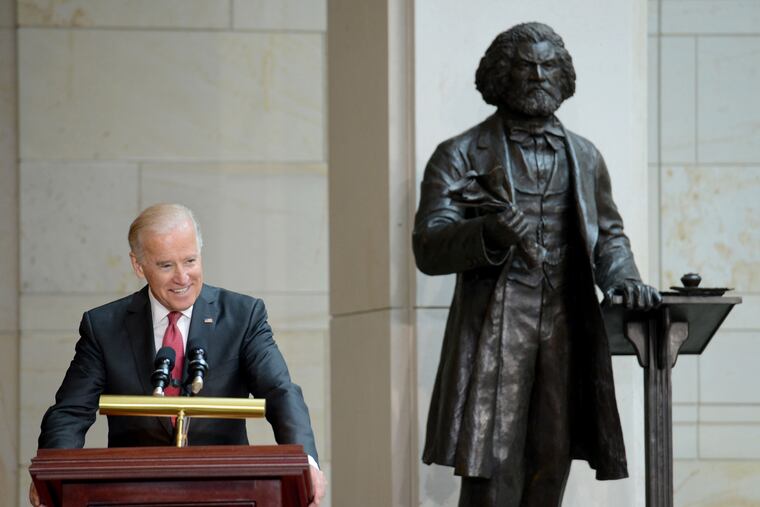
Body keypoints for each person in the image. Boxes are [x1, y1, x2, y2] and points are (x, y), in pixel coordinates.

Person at [413, 22, 660, 507]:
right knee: (490, 469)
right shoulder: (460, 154)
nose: (540, 76)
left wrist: (624, 279)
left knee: (553, 457)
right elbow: (428, 244)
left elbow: (608, 235)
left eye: (549, 66)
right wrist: (489, 231)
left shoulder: (585, 156)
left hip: (566, 324)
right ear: (501, 76)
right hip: (496, 325)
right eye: (527, 67)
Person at [30, 203, 326, 507]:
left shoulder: (243, 316)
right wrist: (52, 472)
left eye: (190, 260)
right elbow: (71, 412)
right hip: (131, 495)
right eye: (166, 265)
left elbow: (280, 392)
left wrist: (307, 464)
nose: (182, 277)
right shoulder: (103, 327)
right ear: (138, 265)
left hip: (230, 493)